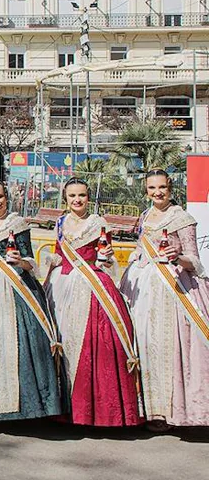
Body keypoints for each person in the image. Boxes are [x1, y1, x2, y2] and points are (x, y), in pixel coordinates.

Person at [44, 177, 142, 427]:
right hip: (62, 285)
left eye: (82, 195)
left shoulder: (98, 222)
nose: (77, 200)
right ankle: (66, 408)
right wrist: (48, 261)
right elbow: (58, 254)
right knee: (62, 344)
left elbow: (105, 257)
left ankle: (96, 411)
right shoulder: (61, 222)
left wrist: (104, 259)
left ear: (89, 197)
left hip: (91, 284)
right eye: (72, 196)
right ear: (64, 199)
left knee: (97, 345)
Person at [121, 169, 209, 429]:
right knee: (144, 346)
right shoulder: (146, 215)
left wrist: (176, 257)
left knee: (170, 348)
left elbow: (194, 261)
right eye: (151, 188)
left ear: (170, 188)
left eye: (162, 188)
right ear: (146, 190)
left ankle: (172, 412)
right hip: (143, 284)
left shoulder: (182, 218)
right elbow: (140, 246)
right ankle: (150, 411)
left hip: (173, 287)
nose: (157, 193)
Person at [0, 177, 64, 422]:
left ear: (7, 196)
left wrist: (19, 262)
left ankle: (24, 408)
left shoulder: (18, 223)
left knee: (20, 344)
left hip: (16, 287)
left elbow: (30, 261)